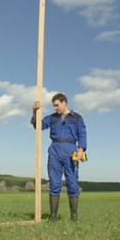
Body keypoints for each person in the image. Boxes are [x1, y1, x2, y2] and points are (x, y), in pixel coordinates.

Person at [31, 93, 87, 222]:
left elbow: (82, 134)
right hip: (55, 150)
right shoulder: (52, 118)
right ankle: (53, 217)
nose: (55, 108)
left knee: (72, 183)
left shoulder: (77, 118)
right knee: (54, 184)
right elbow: (38, 126)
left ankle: (74, 217)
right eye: (54, 106)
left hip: (71, 150)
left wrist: (81, 149)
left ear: (64, 102)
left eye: (56, 105)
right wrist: (35, 111)